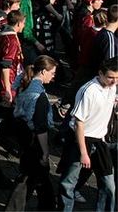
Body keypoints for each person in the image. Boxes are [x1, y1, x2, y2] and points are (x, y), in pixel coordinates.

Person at [57, 57, 118, 212]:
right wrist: (84, 152)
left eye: (117, 78)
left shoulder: (111, 88)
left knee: (108, 184)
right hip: (81, 139)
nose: (114, 81)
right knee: (69, 182)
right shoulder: (89, 91)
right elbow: (79, 123)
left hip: (100, 140)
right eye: (110, 77)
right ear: (101, 74)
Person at [6, 55, 58, 211]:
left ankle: (47, 205)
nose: (53, 76)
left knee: (39, 175)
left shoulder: (25, 84)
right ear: (43, 71)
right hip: (33, 140)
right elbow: (40, 127)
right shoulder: (39, 95)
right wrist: (45, 152)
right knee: (29, 176)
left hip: (24, 135)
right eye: (52, 72)